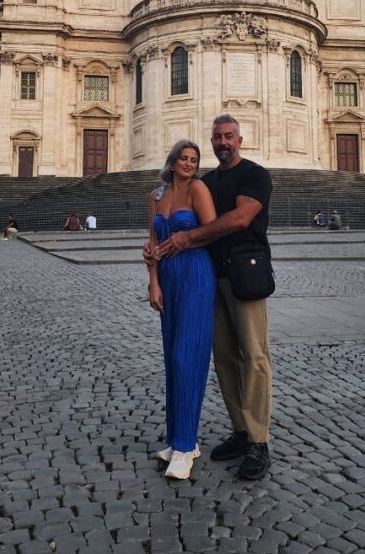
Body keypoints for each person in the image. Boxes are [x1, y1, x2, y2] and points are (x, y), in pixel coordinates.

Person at [152, 114, 274, 480]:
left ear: (240, 139)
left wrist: (188, 238)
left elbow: (240, 219)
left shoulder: (255, 175)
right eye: (218, 138)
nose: (224, 142)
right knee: (223, 358)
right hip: (209, 276)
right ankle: (240, 430)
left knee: (253, 356)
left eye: (229, 137)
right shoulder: (206, 182)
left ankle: (259, 441)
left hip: (243, 274)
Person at [147, 140, 217, 480]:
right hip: (169, 280)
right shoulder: (157, 196)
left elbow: (212, 231)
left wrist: (186, 239)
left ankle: (186, 448)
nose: (188, 164)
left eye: (194, 159)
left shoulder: (200, 189)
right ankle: (178, 439)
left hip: (195, 274)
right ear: (172, 161)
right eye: (183, 158)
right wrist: (153, 282)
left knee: (185, 356)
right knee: (171, 357)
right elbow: (152, 244)